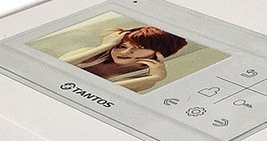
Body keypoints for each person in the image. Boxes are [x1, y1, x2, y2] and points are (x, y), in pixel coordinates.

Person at [59, 26, 188, 92]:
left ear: (159, 53)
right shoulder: (92, 54)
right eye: (121, 46)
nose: (125, 52)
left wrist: (156, 77)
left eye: (139, 48)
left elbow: (100, 92)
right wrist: (104, 46)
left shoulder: (146, 79)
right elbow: (53, 65)